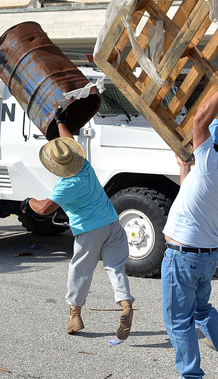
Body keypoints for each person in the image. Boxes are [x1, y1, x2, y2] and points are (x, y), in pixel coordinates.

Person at [160, 64, 218, 379]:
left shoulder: (210, 161)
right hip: (205, 257)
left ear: (213, 145)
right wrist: (183, 167)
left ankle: (191, 378)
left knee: (177, 319)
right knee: (202, 311)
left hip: (183, 257)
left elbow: (199, 119)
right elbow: (190, 194)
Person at [22, 109, 134, 339]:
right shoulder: (83, 165)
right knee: (115, 267)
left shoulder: (66, 185)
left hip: (90, 230)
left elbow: (44, 209)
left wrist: (28, 202)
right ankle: (125, 305)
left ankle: (75, 315)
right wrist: (61, 121)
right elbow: (69, 143)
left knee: (80, 271)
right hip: (112, 223)